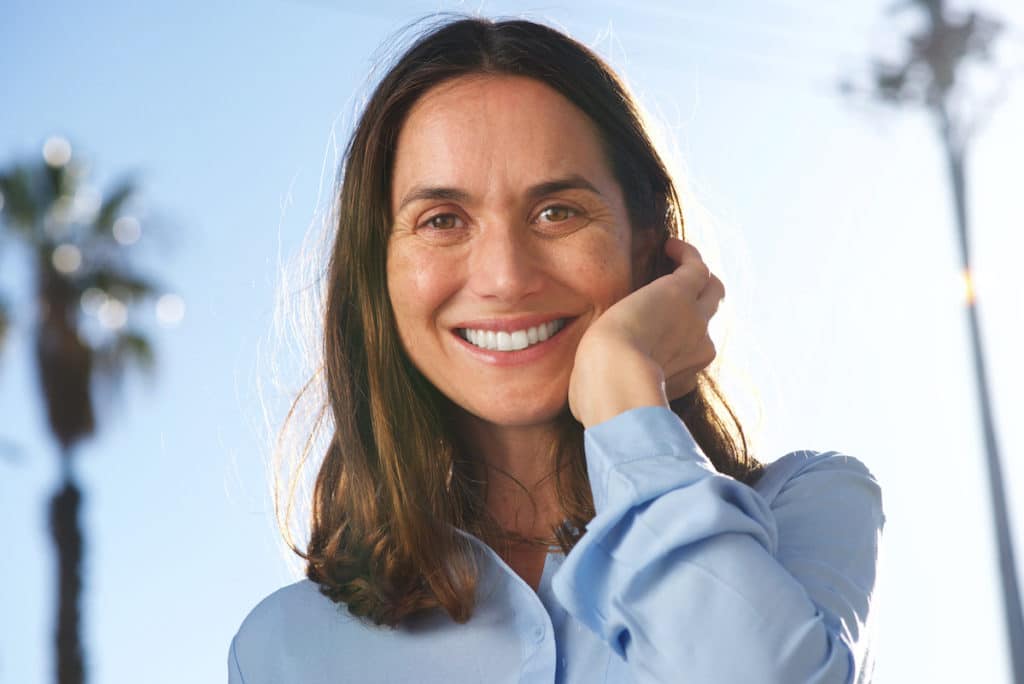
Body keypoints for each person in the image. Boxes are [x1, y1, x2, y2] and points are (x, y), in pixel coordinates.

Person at [228, 16, 884, 684]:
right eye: (443, 221)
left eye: (557, 213)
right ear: (379, 270)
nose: (506, 278)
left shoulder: (809, 507)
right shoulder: (284, 649)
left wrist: (622, 385)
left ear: (647, 236)